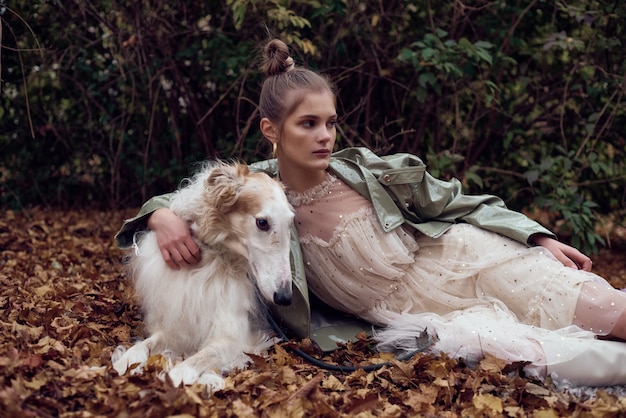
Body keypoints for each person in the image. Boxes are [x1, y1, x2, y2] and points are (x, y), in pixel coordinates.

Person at [116, 38, 626, 387]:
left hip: (469, 258)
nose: (324, 136)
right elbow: (195, 196)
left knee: (607, 312)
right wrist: (156, 217)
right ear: (272, 130)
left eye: (330, 124)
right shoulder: (259, 195)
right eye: (308, 124)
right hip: (419, 313)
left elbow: (459, 202)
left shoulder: (368, 171)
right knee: (584, 361)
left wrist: (537, 238)